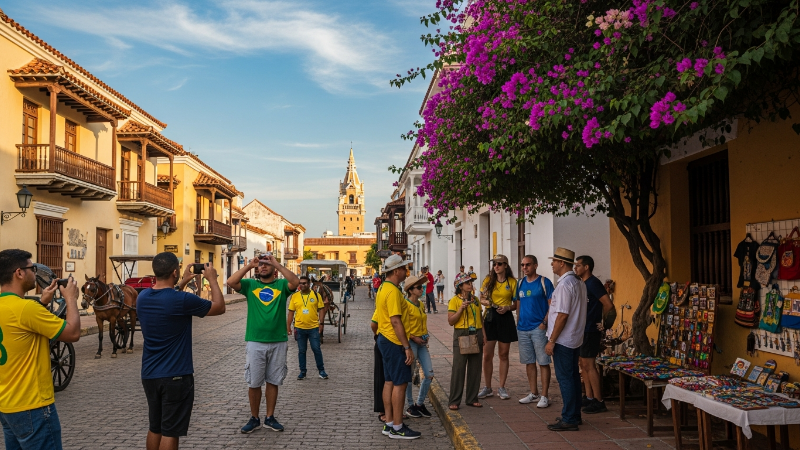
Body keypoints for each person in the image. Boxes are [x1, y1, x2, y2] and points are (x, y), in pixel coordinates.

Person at [137, 254, 226, 450]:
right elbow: (219, 307)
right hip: (176, 375)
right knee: (170, 431)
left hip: (150, 375)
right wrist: (212, 279)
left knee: (155, 427)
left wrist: (182, 282)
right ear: (174, 272)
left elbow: (166, 297)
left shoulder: (142, 297)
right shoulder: (183, 300)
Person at [0, 249, 81, 450]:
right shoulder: (26, 309)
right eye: (32, 269)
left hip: (7, 406)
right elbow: (72, 333)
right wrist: (71, 299)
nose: (35, 274)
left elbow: (22, 332)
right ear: (19, 273)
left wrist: (42, 303)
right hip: (33, 405)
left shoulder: (15, 307)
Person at [227, 255, 300, 434]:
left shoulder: (281, 285)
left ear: (274, 269)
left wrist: (277, 264)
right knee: (254, 382)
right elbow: (231, 282)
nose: (263, 267)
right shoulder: (250, 285)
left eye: (267, 264)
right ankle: (254, 418)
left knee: (273, 381)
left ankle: (269, 417)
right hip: (255, 341)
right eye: (261, 265)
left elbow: (295, 282)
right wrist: (249, 266)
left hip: (278, 340)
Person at [373, 254, 421, 439]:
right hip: (394, 341)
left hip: (385, 338)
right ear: (395, 271)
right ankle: (398, 427)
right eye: (403, 268)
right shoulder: (392, 291)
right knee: (400, 383)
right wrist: (407, 346)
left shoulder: (384, 287)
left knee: (389, 382)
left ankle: (390, 423)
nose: (405, 271)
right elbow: (395, 320)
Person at [544, 248, 587, 431]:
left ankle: (569, 418)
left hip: (563, 339)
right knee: (573, 377)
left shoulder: (564, 285)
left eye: (554, 261)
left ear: (562, 263)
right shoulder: (578, 282)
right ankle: (574, 415)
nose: (552, 264)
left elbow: (562, 315)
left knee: (565, 379)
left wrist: (552, 340)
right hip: (574, 337)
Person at [574, 255, 614, 414]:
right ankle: (589, 397)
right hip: (582, 329)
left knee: (590, 365)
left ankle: (599, 400)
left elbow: (608, 304)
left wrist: (604, 323)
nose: (575, 268)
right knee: (583, 364)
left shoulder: (594, 283)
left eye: (578, 265)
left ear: (586, 267)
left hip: (591, 329)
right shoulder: (582, 283)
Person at [516, 255, 555, 408]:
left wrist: (544, 322)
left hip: (538, 329)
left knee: (543, 362)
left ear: (535, 265)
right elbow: (518, 303)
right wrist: (518, 320)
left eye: (528, 265)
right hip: (523, 328)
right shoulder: (520, 283)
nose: (524, 268)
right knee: (529, 362)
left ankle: (545, 395)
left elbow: (552, 304)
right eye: (522, 265)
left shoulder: (544, 282)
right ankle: (534, 393)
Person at [478, 255, 518, 401]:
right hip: (490, 316)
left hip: (505, 317)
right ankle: (487, 387)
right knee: (487, 354)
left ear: (505, 265)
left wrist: (507, 307)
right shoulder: (488, 280)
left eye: (499, 264)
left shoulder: (512, 282)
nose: (496, 266)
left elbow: (515, 303)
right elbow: (481, 298)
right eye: (494, 264)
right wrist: (488, 303)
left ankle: (501, 386)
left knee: (503, 354)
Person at [447, 273, 483, 409]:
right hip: (461, 333)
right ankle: (454, 400)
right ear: (460, 286)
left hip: (476, 332)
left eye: (471, 283)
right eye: (467, 283)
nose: (470, 285)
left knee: (475, 368)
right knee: (459, 368)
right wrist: (461, 309)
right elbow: (451, 321)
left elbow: (480, 317)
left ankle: (472, 398)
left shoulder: (475, 300)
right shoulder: (454, 301)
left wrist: (483, 335)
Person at [401, 276, 434, 419]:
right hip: (411, 342)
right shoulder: (405, 304)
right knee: (408, 375)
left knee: (429, 374)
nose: (422, 289)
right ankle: (410, 405)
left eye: (422, 287)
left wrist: (425, 335)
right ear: (410, 290)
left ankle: (419, 404)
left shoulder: (420, 304)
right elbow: (402, 326)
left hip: (422, 343)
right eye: (419, 287)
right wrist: (413, 338)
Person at [287, 276, 328, 380]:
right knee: (302, 350)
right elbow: (291, 312)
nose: (302, 285)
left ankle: (321, 370)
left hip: (313, 328)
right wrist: (288, 326)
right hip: (299, 328)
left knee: (316, 349)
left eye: (304, 283)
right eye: (300, 283)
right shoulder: (295, 296)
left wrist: (321, 323)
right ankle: (302, 372)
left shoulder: (316, 295)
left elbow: (321, 309)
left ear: (309, 284)